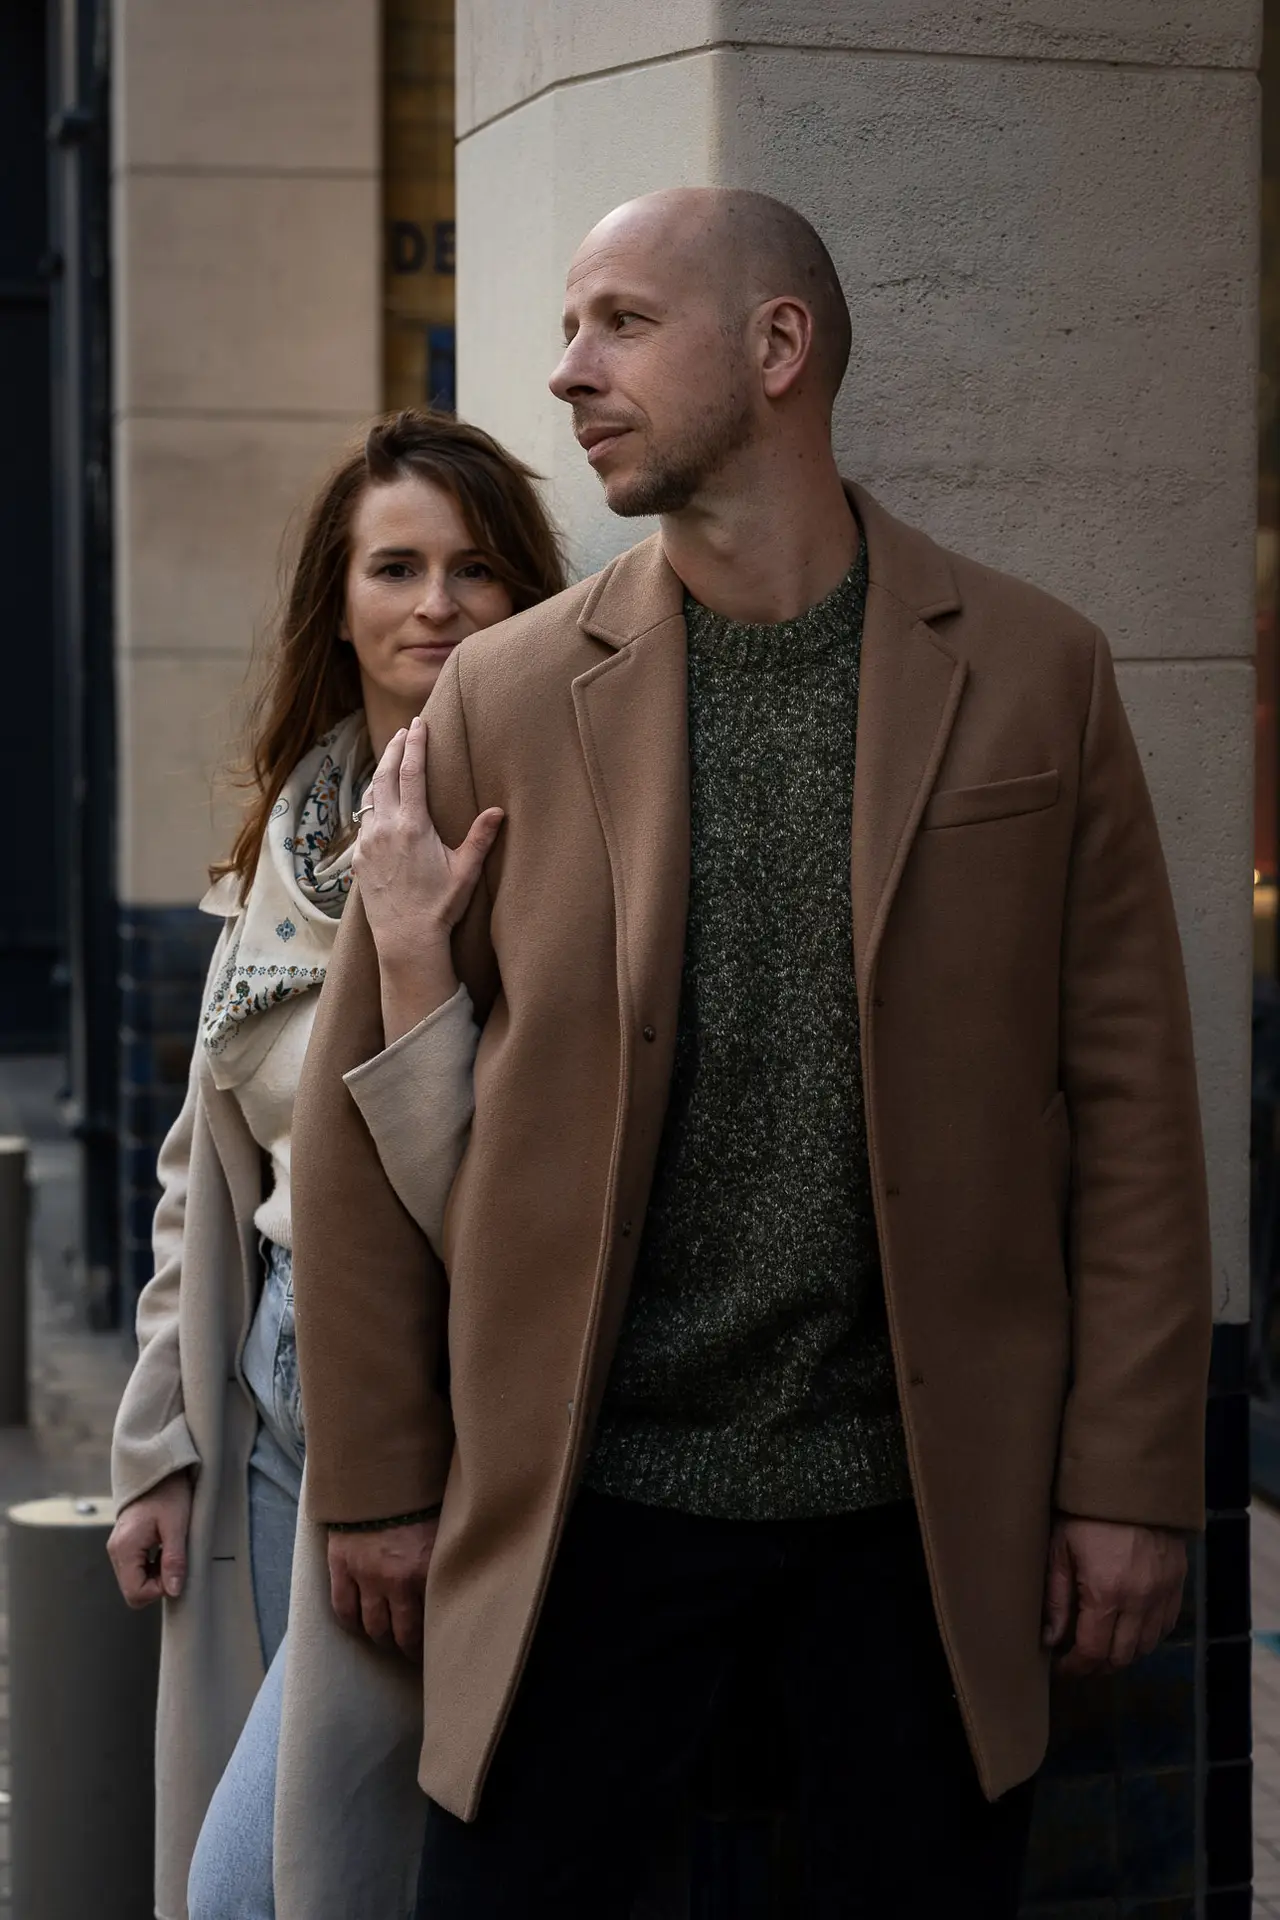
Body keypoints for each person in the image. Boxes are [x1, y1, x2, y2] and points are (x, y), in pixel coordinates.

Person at [290, 188, 1213, 1917]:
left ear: (777, 348)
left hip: (925, 1517)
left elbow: (1138, 1117)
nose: (567, 373)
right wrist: (378, 1477)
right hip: (587, 1502)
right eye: (570, 326)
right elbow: (354, 1128)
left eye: (620, 323)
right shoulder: (501, 693)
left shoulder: (1035, 674)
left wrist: (1132, 1482)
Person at [106, 407, 566, 1920]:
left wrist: (422, 958)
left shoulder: (553, 835)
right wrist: (159, 1448)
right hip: (266, 1400)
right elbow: (202, 1165)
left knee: (267, 1884)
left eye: (477, 568)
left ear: (529, 599)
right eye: (396, 566)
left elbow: (501, 1199)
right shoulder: (296, 826)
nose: (436, 603)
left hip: (426, 1408)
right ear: (340, 598)